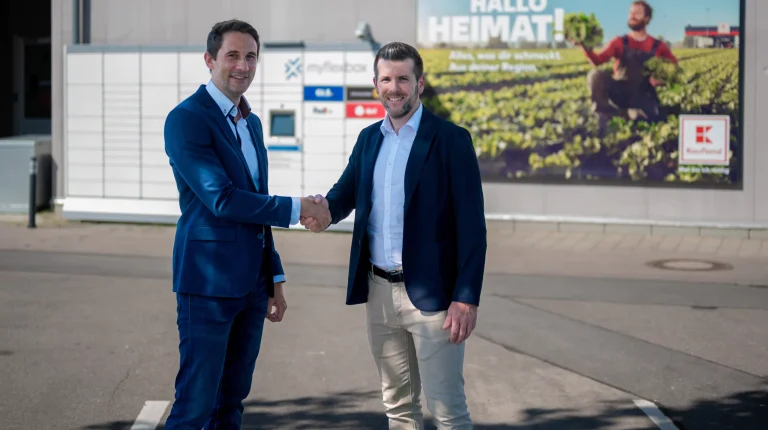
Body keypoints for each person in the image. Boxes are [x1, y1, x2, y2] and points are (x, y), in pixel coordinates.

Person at [302, 42, 487, 429]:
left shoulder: (451, 140)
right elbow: (343, 196)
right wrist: (319, 212)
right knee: (398, 407)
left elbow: (472, 227)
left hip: (434, 299)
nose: (395, 87)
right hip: (379, 294)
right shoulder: (370, 139)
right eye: (387, 79)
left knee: (447, 408)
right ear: (376, 84)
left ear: (420, 83)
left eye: (403, 78)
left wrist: (466, 297)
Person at [162, 19, 330, 429]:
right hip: (207, 285)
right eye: (232, 55)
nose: (243, 65)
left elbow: (255, 200)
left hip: (253, 285)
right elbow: (221, 198)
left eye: (251, 56)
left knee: (232, 402)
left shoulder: (251, 123)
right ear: (209, 60)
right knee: (195, 406)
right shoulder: (187, 119)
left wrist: (273, 273)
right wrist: (299, 207)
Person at [574, 0, 679, 129]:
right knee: (595, 75)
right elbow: (598, 60)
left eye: (637, 13)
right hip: (620, 92)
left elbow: (674, 68)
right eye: (631, 13)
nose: (632, 16)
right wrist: (586, 47)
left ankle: (626, 113)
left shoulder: (658, 45)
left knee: (647, 121)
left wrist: (661, 79)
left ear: (647, 18)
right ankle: (603, 113)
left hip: (644, 94)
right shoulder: (619, 42)